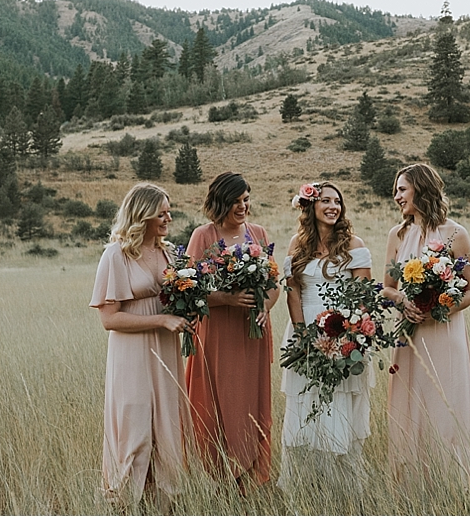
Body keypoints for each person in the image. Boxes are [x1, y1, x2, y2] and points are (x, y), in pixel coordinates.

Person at [89, 182, 194, 507]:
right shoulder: (117, 254)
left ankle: (163, 507)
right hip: (132, 353)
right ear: (142, 214)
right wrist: (160, 321)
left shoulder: (170, 252)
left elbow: (178, 298)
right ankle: (121, 504)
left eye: (169, 212)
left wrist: (188, 307)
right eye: (161, 213)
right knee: (135, 432)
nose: (168, 218)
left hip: (165, 351)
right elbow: (109, 319)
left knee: (167, 430)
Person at [380, 164, 470, 486]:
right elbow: (386, 288)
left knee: (446, 404)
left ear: (421, 190)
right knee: (411, 406)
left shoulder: (456, 234)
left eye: (402, 189)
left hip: (444, 333)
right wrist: (404, 302)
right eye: (396, 190)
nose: (396, 196)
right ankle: (412, 483)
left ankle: (453, 482)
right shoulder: (396, 235)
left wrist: (440, 306)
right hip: (410, 337)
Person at [184, 172, 279, 490]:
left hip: (251, 334)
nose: (243, 206)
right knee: (216, 400)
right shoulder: (203, 235)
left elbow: (273, 284)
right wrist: (226, 298)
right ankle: (213, 473)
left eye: (246, 199)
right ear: (221, 202)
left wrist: (264, 306)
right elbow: (187, 287)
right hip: (217, 334)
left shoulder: (259, 233)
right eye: (237, 201)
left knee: (249, 402)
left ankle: (250, 475)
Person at [277, 181, 374, 493]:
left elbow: (363, 297)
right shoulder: (297, 244)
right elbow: (292, 291)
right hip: (305, 331)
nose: (333, 206)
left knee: (339, 406)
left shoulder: (354, 245)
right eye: (325, 200)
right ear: (311, 206)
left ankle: (343, 488)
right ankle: (307, 487)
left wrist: (348, 335)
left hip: (343, 333)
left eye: (338, 201)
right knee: (305, 405)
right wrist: (303, 334)